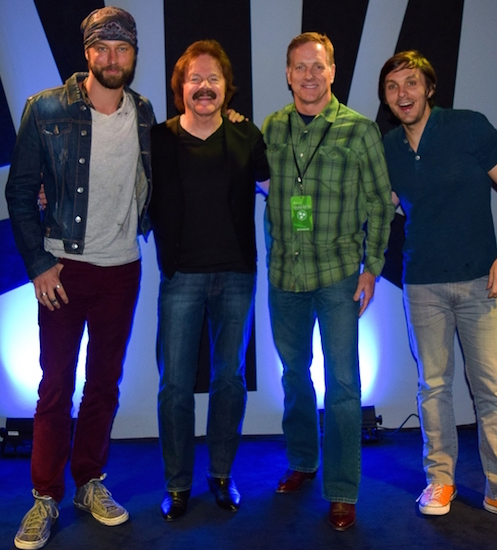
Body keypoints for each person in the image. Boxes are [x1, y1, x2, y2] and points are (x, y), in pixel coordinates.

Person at [378, 50, 497, 529]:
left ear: (430, 88)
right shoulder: (390, 148)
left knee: (493, 390)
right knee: (432, 387)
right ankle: (441, 479)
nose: (403, 94)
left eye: (411, 83)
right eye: (393, 87)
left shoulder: (469, 126)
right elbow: (387, 204)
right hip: (422, 286)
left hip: (482, 280)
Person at [5, 7, 155, 549]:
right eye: (102, 48)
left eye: (123, 49)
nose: (112, 58)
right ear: (87, 53)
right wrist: (40, 265)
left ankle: (89, 481)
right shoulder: (44, 109)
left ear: (133, 54)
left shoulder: (143, 112)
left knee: (104, 385)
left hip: (122, 271)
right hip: (63, 270)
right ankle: (44, 497)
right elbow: (20, 193)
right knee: (55, 386)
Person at [262, 32, 394, 531]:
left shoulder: (359, 131)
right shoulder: (272, 128)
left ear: (332, 72)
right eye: (299, 67)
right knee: (294, 377)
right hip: (284, 276)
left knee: (341, 384)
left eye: (318, 66)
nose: (309, 76)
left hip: (338, 276)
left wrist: (373, 266)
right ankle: (302, 461)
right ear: (288, 74)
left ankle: (341, 489)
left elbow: (382, 203)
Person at [149, 39, 270, 521]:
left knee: (229, 381)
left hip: (237, 276)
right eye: (194, 79)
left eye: (213, 79)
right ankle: (177, 485)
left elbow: (277, 191)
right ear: (180, 88)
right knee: (174, 387)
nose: (204, 86)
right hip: (180, 278)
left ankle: (221, 475)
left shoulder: (247, 136)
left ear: (227, 89)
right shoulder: (157, 139)